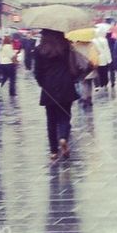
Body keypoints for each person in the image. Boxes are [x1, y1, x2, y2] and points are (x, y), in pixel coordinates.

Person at [34, 28, 86, 160]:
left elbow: (37, 72)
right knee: (65, 116)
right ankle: (63, 137)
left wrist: (42, 83)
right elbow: (74, 65)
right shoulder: (66, 46)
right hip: (65, 85)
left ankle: (53, 151)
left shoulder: (39, 50)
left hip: (48, 87)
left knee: (51, 120)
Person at [0, 32, 19, 97]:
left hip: (2, 64)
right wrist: (15, 53)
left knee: (4, 78)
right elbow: (11, 55)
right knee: (12, 79)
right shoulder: (8, 46)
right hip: (9, 64)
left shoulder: (0, 46)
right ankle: (12, 92)